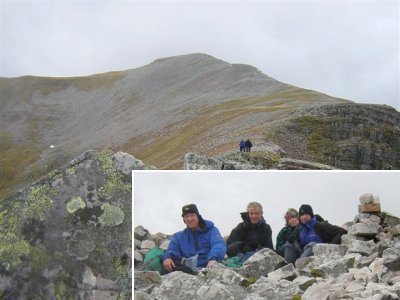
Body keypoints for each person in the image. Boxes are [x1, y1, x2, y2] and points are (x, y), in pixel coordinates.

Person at [162, 204, 226, 275]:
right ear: (184, 220)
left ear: (198, 216)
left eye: (192, 215)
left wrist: (213, 259)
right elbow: (172, 249)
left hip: (208, 266)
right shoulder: (179, 236)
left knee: (217, 266)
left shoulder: (212, 230)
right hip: (188, 269)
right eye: (186, 216)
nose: (189, 219)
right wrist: (167, 258)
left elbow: (218, 244)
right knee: (169, 263)